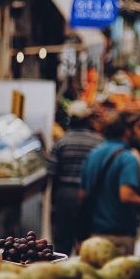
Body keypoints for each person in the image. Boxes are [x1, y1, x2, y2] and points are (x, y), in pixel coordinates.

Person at [80, 111, 140, 255]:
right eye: (139, 127)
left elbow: (82, 195)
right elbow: (127, 196)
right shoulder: (127, 158)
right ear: (128, 131)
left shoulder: (93, 154)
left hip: (94, 237)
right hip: (119, 239)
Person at [47, 101, 104, 255]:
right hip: (90, 197)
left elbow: (51, 173)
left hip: (64, 196)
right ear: (88, 120)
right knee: (86, 244)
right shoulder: (98, 143)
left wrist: (52, 203)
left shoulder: (61, 142)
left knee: (62, 244)